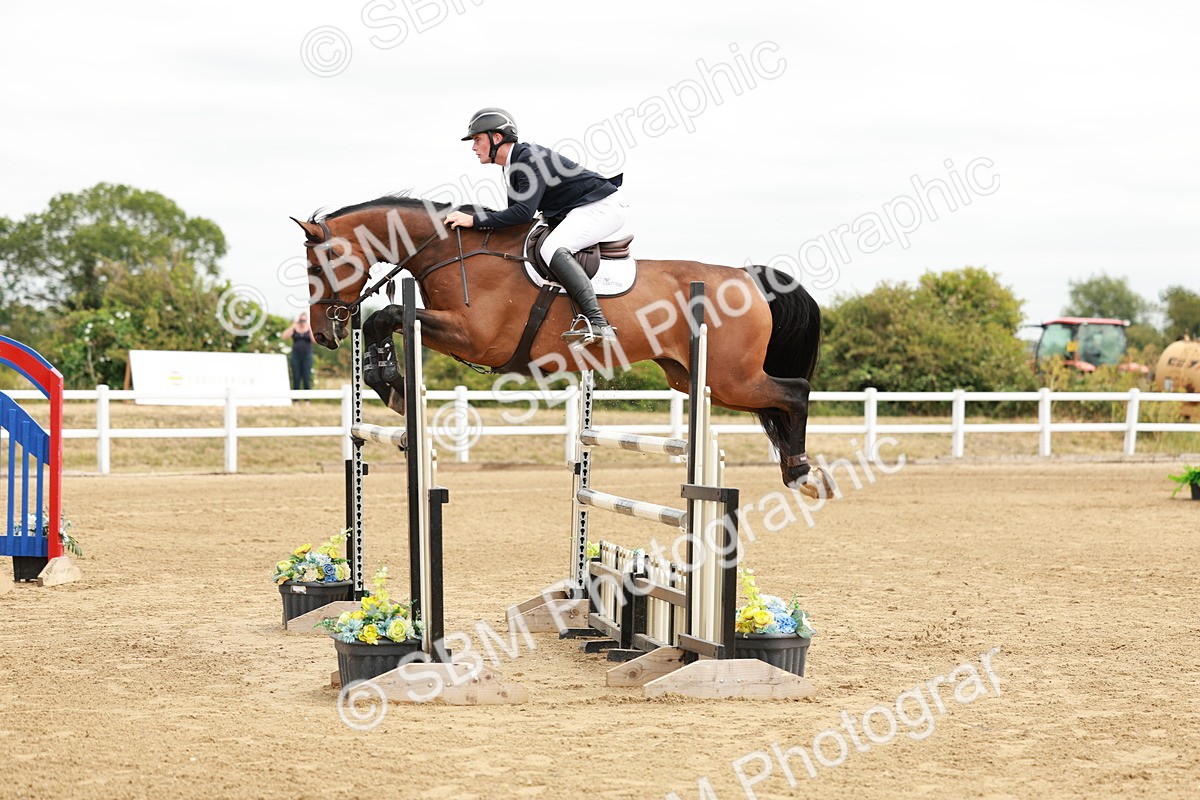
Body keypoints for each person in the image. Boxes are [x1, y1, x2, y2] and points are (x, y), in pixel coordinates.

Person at [443, 107, 624, 347]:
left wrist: (474, 220)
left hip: (601, 207)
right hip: (578, 209)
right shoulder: (512, 165)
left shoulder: (528, 159)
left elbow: (522, 213)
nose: (473, 147)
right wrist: (475, 219)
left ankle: (599, 323)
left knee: (552, 248)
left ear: (496, 138)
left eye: (477, 139)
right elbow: (515, 219)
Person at [282, 312, 314, 390]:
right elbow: (284, 336)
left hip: (307, 356)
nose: (302, 322)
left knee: (306, 376)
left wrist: (310, 328)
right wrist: (292, 326)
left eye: (304, 320)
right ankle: (295, 399)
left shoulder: (309, 329)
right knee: (296, 376)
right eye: (301, 320)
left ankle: (307, 399)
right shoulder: (294, 329)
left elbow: (315, 340)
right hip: (296, 355)